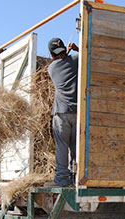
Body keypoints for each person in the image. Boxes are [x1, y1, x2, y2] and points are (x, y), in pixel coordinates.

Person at [47, 37, 79, 187]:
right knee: (75, 147)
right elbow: (89, 54)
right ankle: (76, 177)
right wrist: (77, 49)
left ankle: (61, 179)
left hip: (61, 113)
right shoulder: (75, 60)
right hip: (77, 112)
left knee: (62, 146)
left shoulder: (51, 68)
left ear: (51, 54)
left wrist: (64, 55)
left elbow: (60, 61)